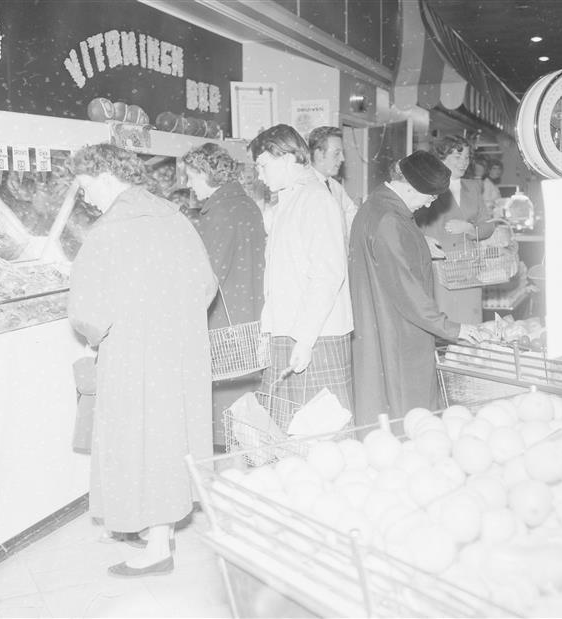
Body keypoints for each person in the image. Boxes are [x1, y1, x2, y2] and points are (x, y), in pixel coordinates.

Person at [66, 143, 217, 577]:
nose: (85, 196)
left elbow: (88, 314)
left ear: (105, 176)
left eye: (85, 185)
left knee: (138, 442)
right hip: (182, 352)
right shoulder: (173, 217)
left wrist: (99, 333)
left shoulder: (109, 229)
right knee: (171, 438)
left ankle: (156, 549)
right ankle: (162, 532)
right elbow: (206, 284)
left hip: (134, 354)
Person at [349, 150, 483, 426]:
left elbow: (391, 258)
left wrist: (421, 245)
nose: (429, 204)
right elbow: (408, 292)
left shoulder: (376, 206)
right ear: (410, 186)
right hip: (398, 333)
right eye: (430, 197)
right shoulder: (390, 220)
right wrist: (454, 329)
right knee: (410, 416)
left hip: (383, 324)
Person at [249, 124, 353, 411]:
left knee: (323, 440)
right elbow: (278, 278)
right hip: (291, 331)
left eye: (262, 165)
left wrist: (305, 339)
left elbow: (327, 276)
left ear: (283, 157)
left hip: (315, 336)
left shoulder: (316, 200)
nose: (259, 174)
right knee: (291, 434)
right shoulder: (288, 201)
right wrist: (267, 332)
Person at [182, 143, 266, 446]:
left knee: (225, 418)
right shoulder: (246, 205)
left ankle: (228, 480)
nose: (188, 184)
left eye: (191, 176)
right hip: (248, 318)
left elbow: (204, 278)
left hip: (223, 327)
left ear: (206, 174)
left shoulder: (219, 213)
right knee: (247, 411)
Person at [414, 136, 495, 323]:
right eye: (458, 157)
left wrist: (470, 228)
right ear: (441, 158)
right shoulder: (426, 187)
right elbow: (413, 226)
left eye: (467, 157)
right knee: (444, 323)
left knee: (470, 325)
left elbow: (488, 226)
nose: (464, 162)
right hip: (440, 270)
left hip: (469, 269)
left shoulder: (473, 188)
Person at [308, 126, 359, 245]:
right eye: (337, 153)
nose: (342, 158)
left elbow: (353, 217)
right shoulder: (303, 187)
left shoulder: (335, 187)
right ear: (319, 155)